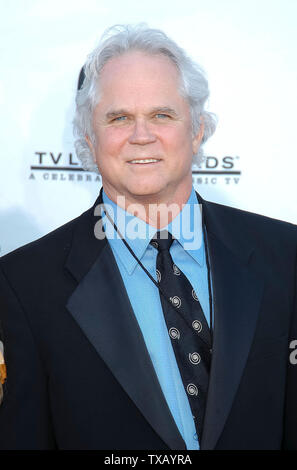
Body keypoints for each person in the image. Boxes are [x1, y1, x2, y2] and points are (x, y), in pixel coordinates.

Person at [0, 23, 296, 451]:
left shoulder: (285, 257)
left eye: (162, 114)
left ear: (197, 130)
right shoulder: (25, 284)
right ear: (88, 138)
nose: (142, 135)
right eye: (119, 118)